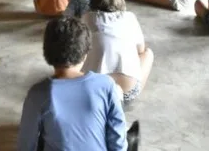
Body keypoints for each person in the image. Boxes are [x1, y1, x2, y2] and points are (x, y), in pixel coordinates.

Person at [17, 17, 129, 151]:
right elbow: (117, 139)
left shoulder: (37, 93)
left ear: (46, 52)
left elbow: (26, 144)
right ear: (85, 53)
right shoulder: (105, 85)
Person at [82, 0, 154, 104]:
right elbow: (140, 50)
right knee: (148, 53)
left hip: (92, 90)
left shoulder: (87, 18)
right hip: (128, 90)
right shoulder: (130, 17)